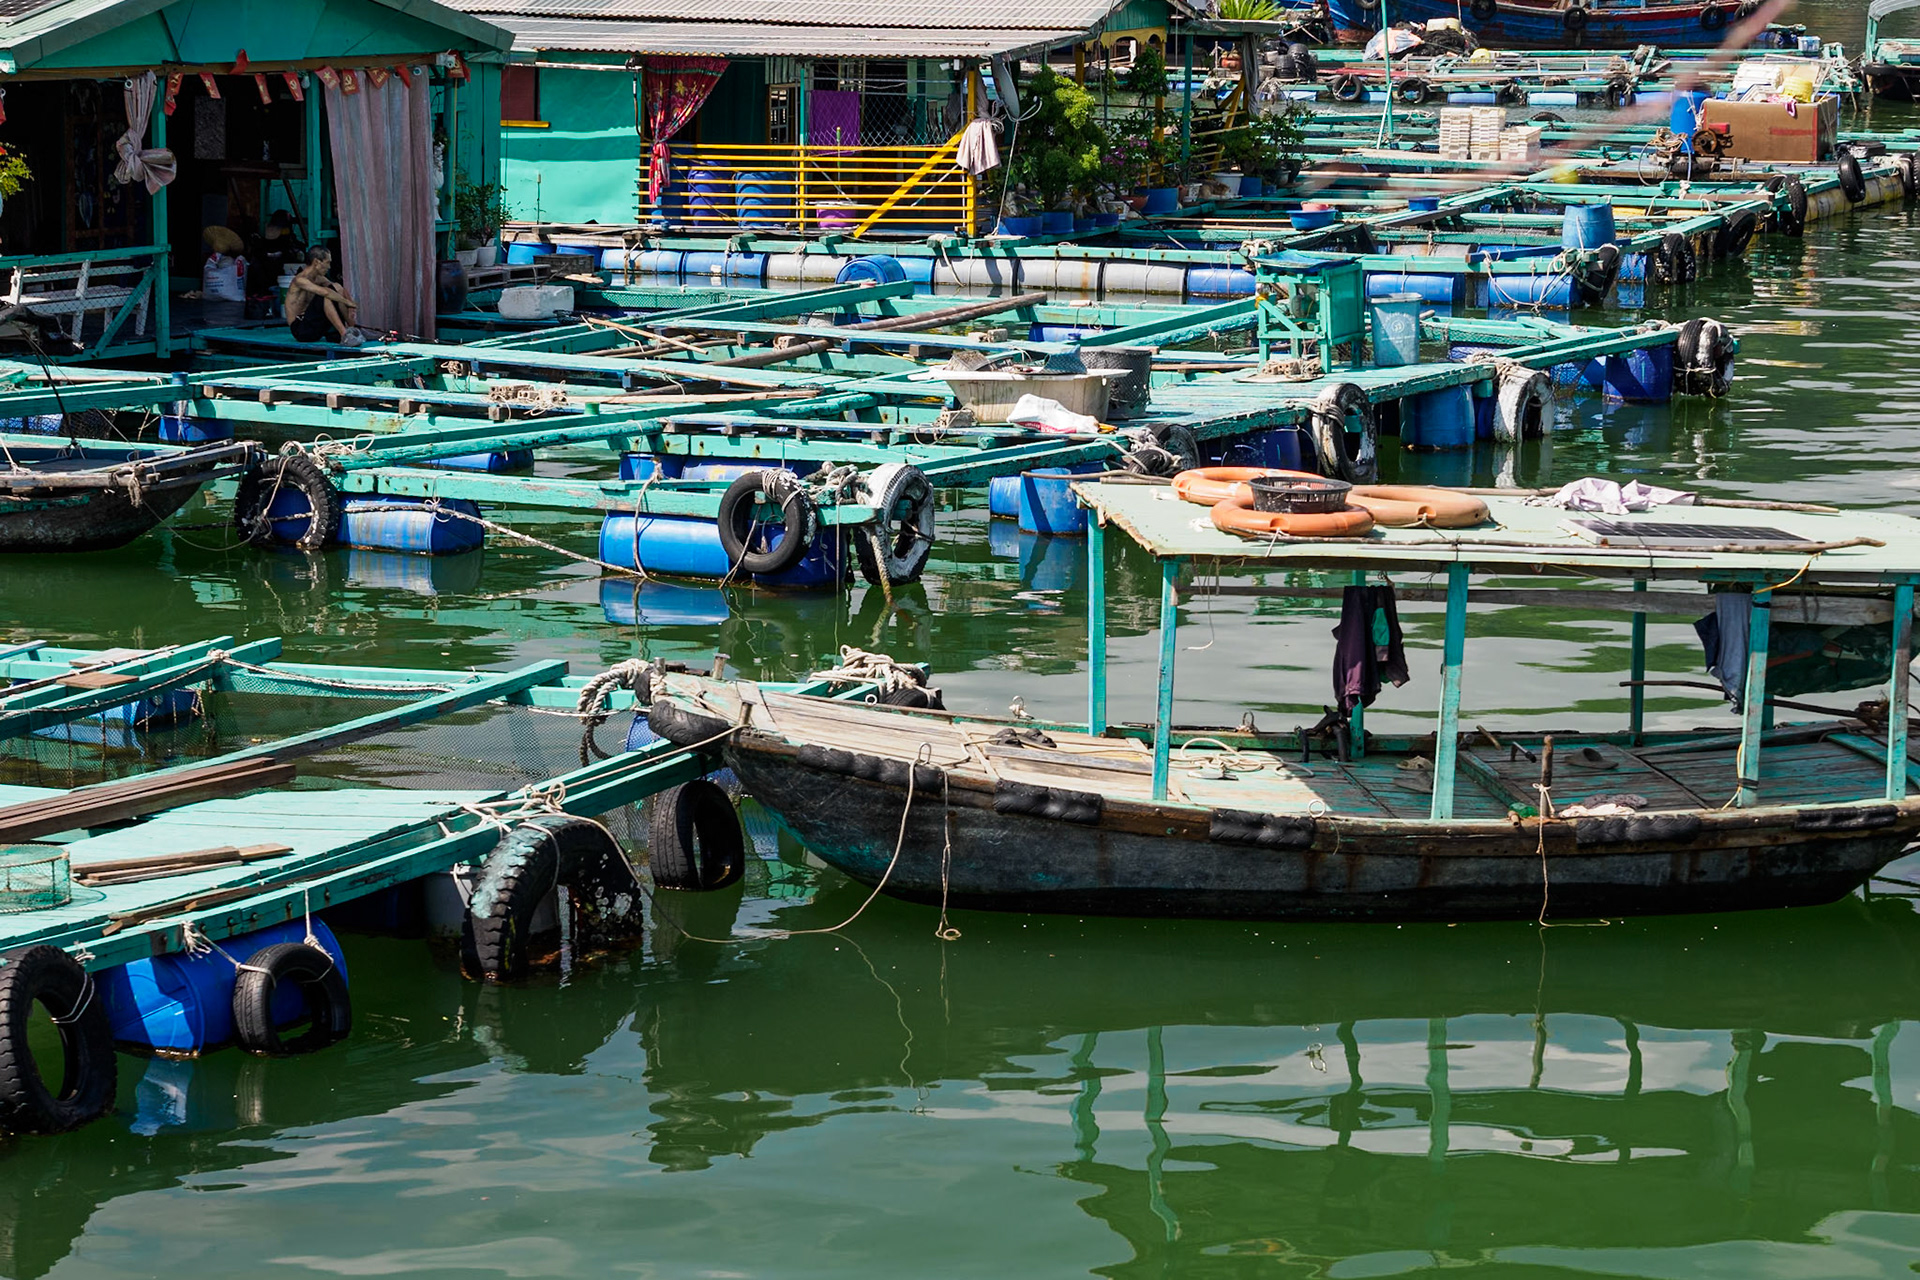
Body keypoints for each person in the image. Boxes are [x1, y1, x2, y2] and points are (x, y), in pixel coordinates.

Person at [284, 246, 362, 346]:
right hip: (301, 330)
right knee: (326, 295)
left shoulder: (319, 278)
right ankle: (344, 334)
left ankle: (352, 330)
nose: (329, 267)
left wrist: (351, 306)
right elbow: (326, 293)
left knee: (335, 287)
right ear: (316, 262)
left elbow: (338, 288)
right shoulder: (300, 280)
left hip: (315, 327)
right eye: (327, 262)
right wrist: (347, 302)